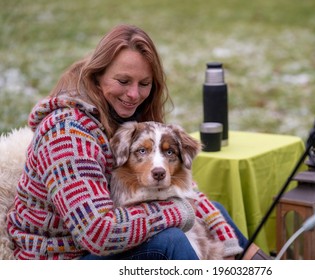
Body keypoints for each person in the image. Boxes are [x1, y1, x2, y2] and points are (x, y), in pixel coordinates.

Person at [7, 24, 269, 260]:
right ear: (97, 76)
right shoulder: (67, 133)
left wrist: (231, 245)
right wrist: (179, 212)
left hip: (97, 247)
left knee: (214, 210)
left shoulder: (123, 114)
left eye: (144, 84)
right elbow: (98, 233)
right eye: (123, 81)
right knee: (169, 240)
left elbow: (190, 194)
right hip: (61, 259)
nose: (134, 94)